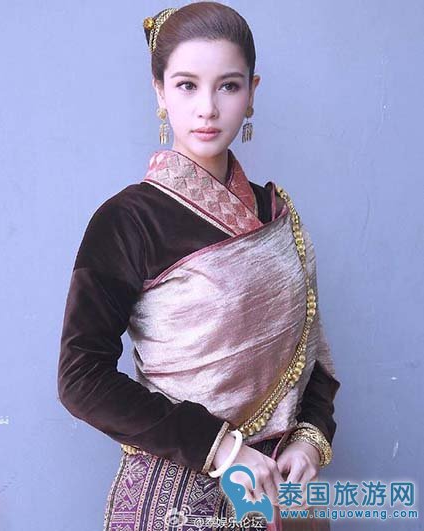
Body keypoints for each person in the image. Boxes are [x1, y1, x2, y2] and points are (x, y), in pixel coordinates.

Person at [57, 2, 341, 530]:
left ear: (252, 93)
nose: (207, 108)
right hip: (177, 492)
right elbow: (81, 378)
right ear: (159, 92)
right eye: (187, 85)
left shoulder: (275, 212)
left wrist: (308, 438)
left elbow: (312, 354)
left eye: (228, 86)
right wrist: (222, 447)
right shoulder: (128, 221)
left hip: (280, 489)